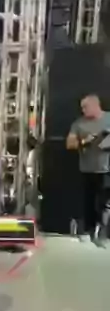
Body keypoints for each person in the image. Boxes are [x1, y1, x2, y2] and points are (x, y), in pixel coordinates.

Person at [66, 94, 110, 244]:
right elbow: (70, 144)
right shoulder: (79, 124)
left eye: (85, 107)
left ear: (95, 105)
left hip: (106, 169)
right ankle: (88, 230)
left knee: (104, 203)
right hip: (88, 169)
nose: (83, 110)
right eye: (82, 108)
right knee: (89, 202)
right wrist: (85, 141)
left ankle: (102, 232)